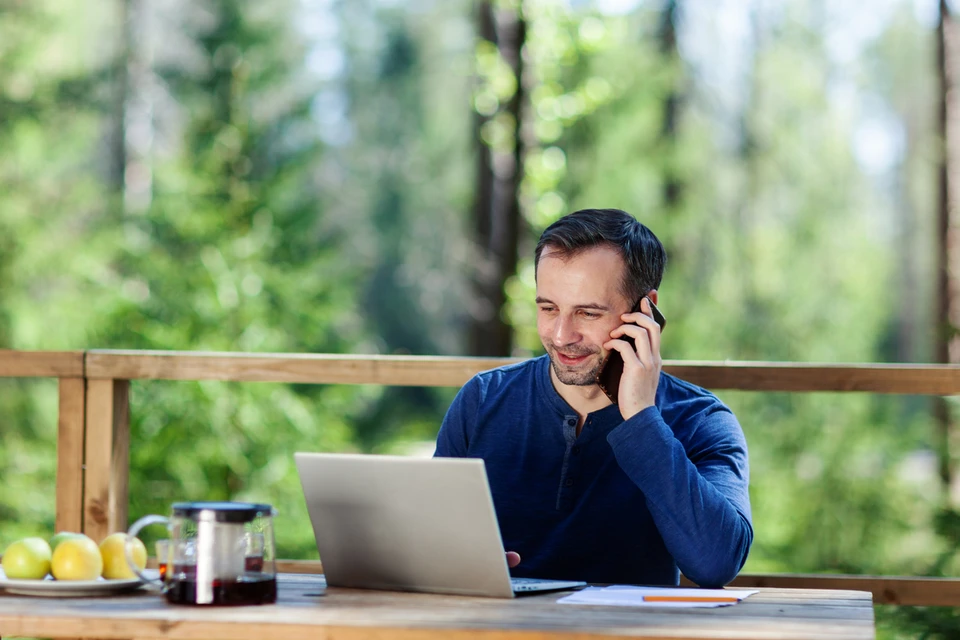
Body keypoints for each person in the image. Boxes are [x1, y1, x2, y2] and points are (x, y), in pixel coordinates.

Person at [434, 208, 752, 588]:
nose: (562, 335)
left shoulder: (701, 420)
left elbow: (716, 564)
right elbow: (429, 538)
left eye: (587, 312)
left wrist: (641, 420)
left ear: (644, 310)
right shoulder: (482, 400)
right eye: (548, 308)